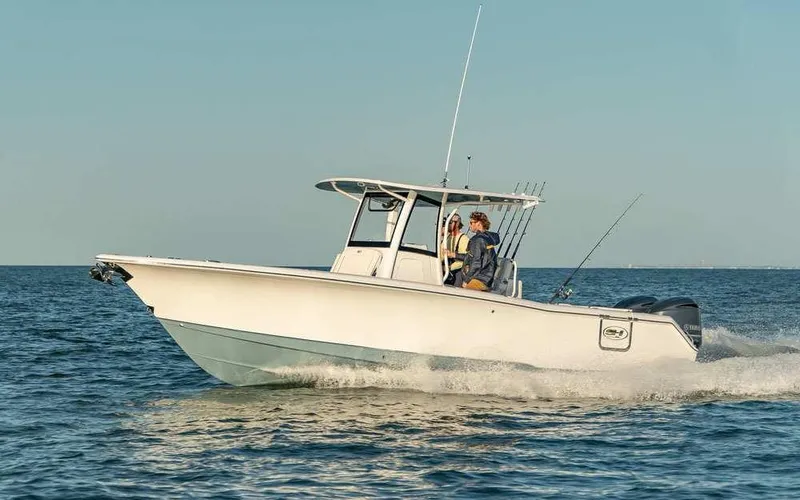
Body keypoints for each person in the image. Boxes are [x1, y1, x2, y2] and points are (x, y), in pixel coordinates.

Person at [460, 211, 500, 291]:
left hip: (479, 280)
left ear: (478, 223)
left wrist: (466, 280)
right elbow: (472, 257)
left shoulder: (478, 240)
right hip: (486, 279)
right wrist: (454, 255)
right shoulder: (487, 238)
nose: (469, 225)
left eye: (471, 223)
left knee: (461, 291)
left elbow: (476, 263)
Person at [442, 213, 470, 286]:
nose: (447, 225)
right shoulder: (447, 237)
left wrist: (449, 268)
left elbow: (465, 259)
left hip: (456, 275)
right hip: (445, 271)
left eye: (449, 222)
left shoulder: (463, 239)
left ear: (457, 224)